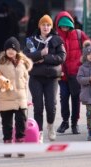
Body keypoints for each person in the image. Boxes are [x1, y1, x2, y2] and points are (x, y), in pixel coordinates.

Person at [0, 36, 33, 158]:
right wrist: (0, 85)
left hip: (21, 99)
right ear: (5, 51)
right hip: (5, 99)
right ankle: (7, 145)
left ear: (17, 50)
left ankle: (20, 146)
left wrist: (26, 98)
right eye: (8, 49)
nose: (10, 51)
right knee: (7, 125)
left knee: (21, 124)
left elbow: (25, 81)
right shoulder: (0, 64)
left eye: (13, 49)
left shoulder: (23, 64)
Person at [23, 15, 66, 143]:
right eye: (43, 25)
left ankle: (51, 126)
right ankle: (39, 132)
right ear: (39, 26)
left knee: (51, 105)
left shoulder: (57, 40)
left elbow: (62, 57)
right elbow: (26, 56)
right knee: (38, 106)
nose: (46, 27)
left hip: (52, 78)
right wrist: (40, 54)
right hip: (36, 77)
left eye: (48, 25)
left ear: (51, 27)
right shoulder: (31, 40)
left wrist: (45, 58)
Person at [54, 11, 91, 134]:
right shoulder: (55, 37)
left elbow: (90, 49)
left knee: (76, 99)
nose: (65, 28)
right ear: (58, 25)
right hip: (62, 75)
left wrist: (83, 62)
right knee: (64, 97)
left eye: (67, 25)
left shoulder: (79, 34)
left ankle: (74, 123)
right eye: (62, 25)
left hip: (76, 73)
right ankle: (65, 122)